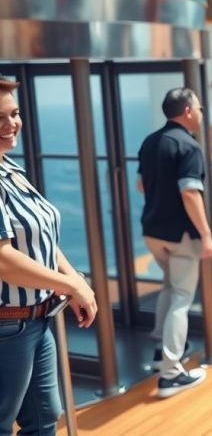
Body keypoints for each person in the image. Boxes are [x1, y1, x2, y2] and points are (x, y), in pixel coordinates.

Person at [0, 77, 98, 436]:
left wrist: (75, 283)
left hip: (36, 320)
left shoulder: (10, 169)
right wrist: (71, 285)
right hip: (6, 327)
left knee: (43, 421)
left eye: (14, 113)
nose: (11, 124)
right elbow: (3, 259)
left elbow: (40, 237)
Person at [137, 87, 212, 397]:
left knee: (170, 288)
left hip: (152, 231)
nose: (200, 113)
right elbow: (189, 193)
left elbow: (141, 185)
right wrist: (207, 235)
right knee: (181, 298)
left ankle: (161, 354)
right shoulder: (189, 147)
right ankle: (170, 374)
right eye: (198, 108)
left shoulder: (150, 141)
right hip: (180, 235)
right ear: (187, 111)